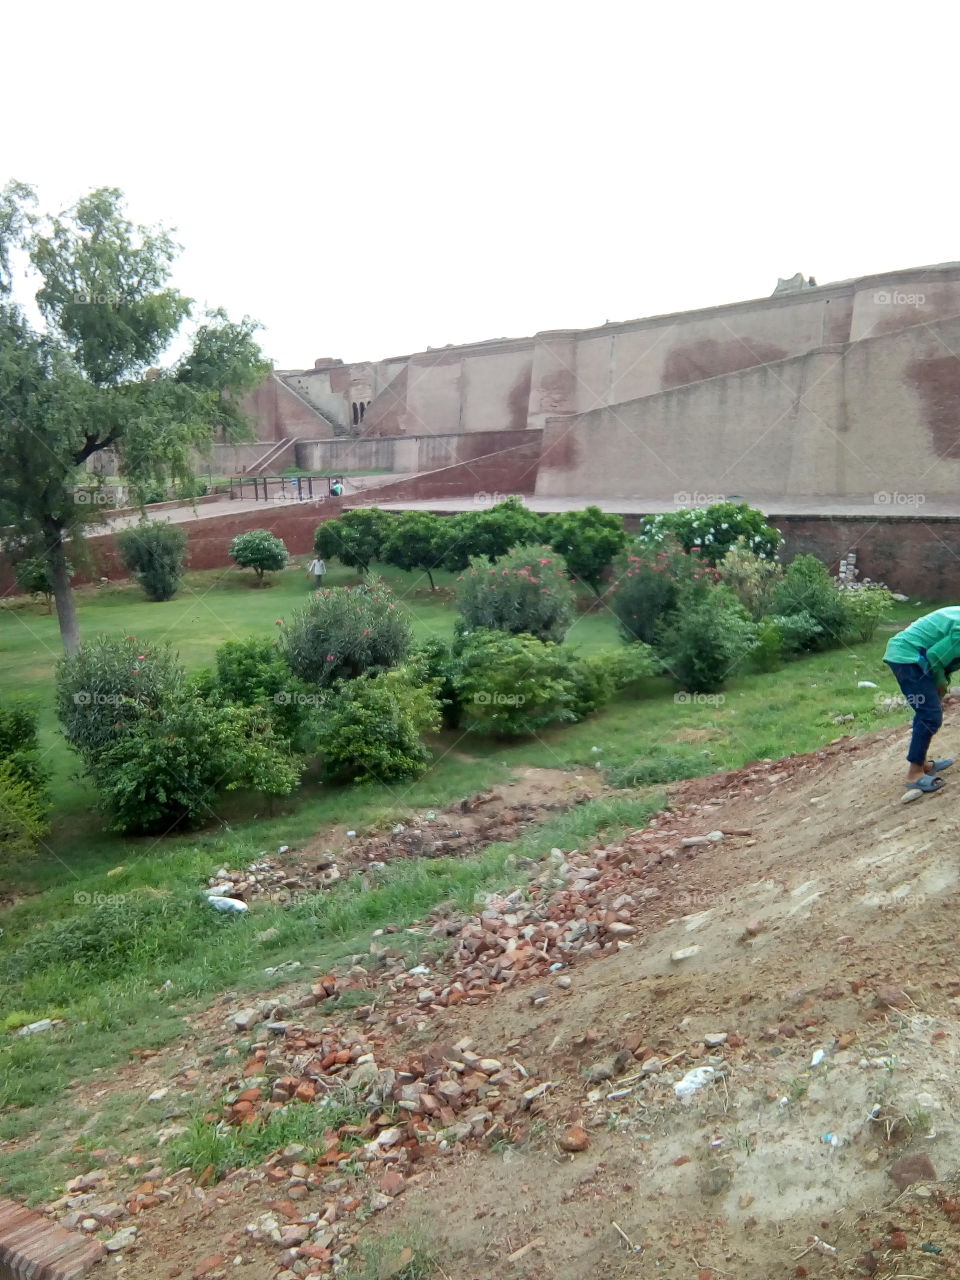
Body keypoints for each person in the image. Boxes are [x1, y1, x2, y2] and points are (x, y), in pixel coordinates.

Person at [883, 606, 960, 795]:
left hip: (914, 656)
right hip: (908, 657)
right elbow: (935, 657)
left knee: (927, 711)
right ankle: (914, 774)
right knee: (930, 715)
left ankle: (923, 763)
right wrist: (940, 682)